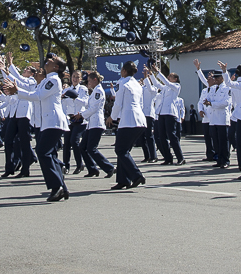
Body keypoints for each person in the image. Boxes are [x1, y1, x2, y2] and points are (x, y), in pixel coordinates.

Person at [2, 54, 70, 201]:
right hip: (47, 122)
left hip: (53, 121)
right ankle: (61, 187)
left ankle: (56, 187)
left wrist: (17, 91)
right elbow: (33, 92)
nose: (49, 60)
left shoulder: (53, 80)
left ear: (56, 67)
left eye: (53, 60)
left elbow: (37, 96)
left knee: (42, 152)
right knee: (49, 154)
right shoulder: (46, 80)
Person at [108, 61, 147, 189]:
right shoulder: (137, 84)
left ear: (124, 71)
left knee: (120, 150)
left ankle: (136, 175)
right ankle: (123, 180)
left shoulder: (123, 83)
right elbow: (141, 104)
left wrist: (112, 117)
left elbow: (118, 104)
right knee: (124, 151)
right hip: (139, 120)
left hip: (128, 121)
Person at [75, 71, 114, 179]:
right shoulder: (94, 92)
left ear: (95, 80)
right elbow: (88, 104)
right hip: (91, 124)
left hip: (97, 123)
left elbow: (94, 108)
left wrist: (81, 115)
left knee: (91, 148)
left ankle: (109, 167)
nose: (88, 83)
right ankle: (92, 169)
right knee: (82, 147)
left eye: (89, 81)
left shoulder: (99, 91)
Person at [196, 62, 231, 168]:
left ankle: (225, 160)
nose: (215, 79)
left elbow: (226, 103)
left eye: (217, 77)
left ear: (222, 78)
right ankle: (219, 160)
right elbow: (207, 100)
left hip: (222, 118)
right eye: (214, 78)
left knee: (223, 141)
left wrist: (211, 103)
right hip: (213, 118)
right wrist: (207, 102)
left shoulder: (227, 89)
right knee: (215, 141)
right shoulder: (211, 89)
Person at [151, 68, 185, 165]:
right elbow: (157, 84)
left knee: (172, 136)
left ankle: (180, 157)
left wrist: (158, 72)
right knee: (162, 137)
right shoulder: (166, 88)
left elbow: (166, 82)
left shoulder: (176, 86)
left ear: (175, 79)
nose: (168, 77)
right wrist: (150, 75)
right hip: (162, 113)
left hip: (171, 113)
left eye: (170, 76)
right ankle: (168, 158)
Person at [60, 69, 88, 173]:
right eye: (73, 77)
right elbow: (62, 103)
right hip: (69, 119)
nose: (75, 79)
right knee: (66, 143)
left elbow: (85, 103)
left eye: (77, 77)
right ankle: (66, 166)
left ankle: (79, 164)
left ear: (80, 79)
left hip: (79, 118)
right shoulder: (67, 89)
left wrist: (75, 98)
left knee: (74, 141)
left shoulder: (83, 89)